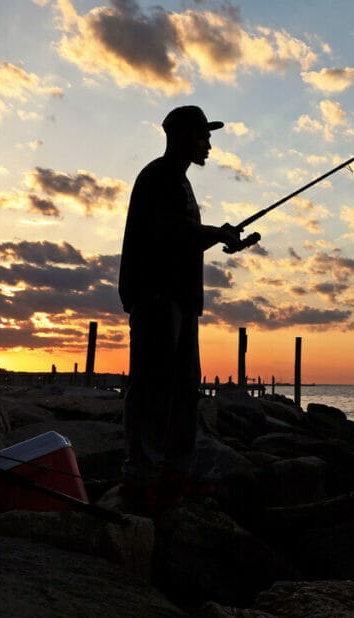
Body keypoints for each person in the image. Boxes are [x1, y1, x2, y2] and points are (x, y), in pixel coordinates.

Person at [118, 105, 258, 513]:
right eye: (203, 135)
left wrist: (221, 236)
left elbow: (186, 236)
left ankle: (175, 476)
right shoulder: (158, 177)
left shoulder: (179, 183)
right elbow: (172, 234)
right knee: (152, 389)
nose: (210, 144)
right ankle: (142, 478)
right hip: (157, 299)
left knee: (183, 391)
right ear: (179, 136)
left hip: (180, 301)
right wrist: (216, 233)